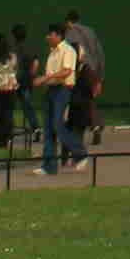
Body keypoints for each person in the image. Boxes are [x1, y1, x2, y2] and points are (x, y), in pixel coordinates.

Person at [37, 20, 80, 174]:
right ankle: (49, 166)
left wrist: (46, 78)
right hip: (51, 91)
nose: (47, 37)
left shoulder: (68, 51)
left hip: (63, 90)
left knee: (57, 124)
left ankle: (80, 153)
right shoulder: (52, 52)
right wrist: (45, 81)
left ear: (58, 35)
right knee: (48, 128)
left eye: (50, 34)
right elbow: (52, 75)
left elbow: (67, 71)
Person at [63, 7, 106, 145]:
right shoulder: (90, 31)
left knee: (77, 101)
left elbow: (69, 54)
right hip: (93, 71)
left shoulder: (69, 34)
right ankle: (96, 125)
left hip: (79, 72)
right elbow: (100, 54)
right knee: (91, 100)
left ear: (68, 22)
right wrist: (100, 77)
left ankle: (72, 130)